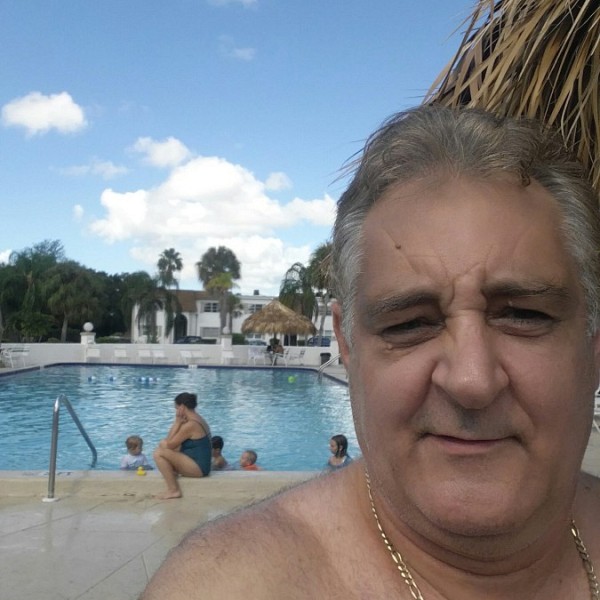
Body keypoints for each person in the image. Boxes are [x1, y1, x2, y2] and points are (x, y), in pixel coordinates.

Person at [141, 105, 600, 598]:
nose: (472, 380)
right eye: (410, 324)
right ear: (348, 344)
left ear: (593, 347)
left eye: (524, 315)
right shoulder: (230, 586)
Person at [153, 392, 212, 499]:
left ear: (182, 407)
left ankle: (173, 490)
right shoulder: (197, 419)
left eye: (176, 409)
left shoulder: (191, 425)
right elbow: (169, 441)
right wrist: (179, 423)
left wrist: (177, 422)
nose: (176, 412)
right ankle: (171, 474)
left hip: (199, 468)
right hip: (200, 464)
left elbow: (170, 445)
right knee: (162, 444)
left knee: (158, 453)